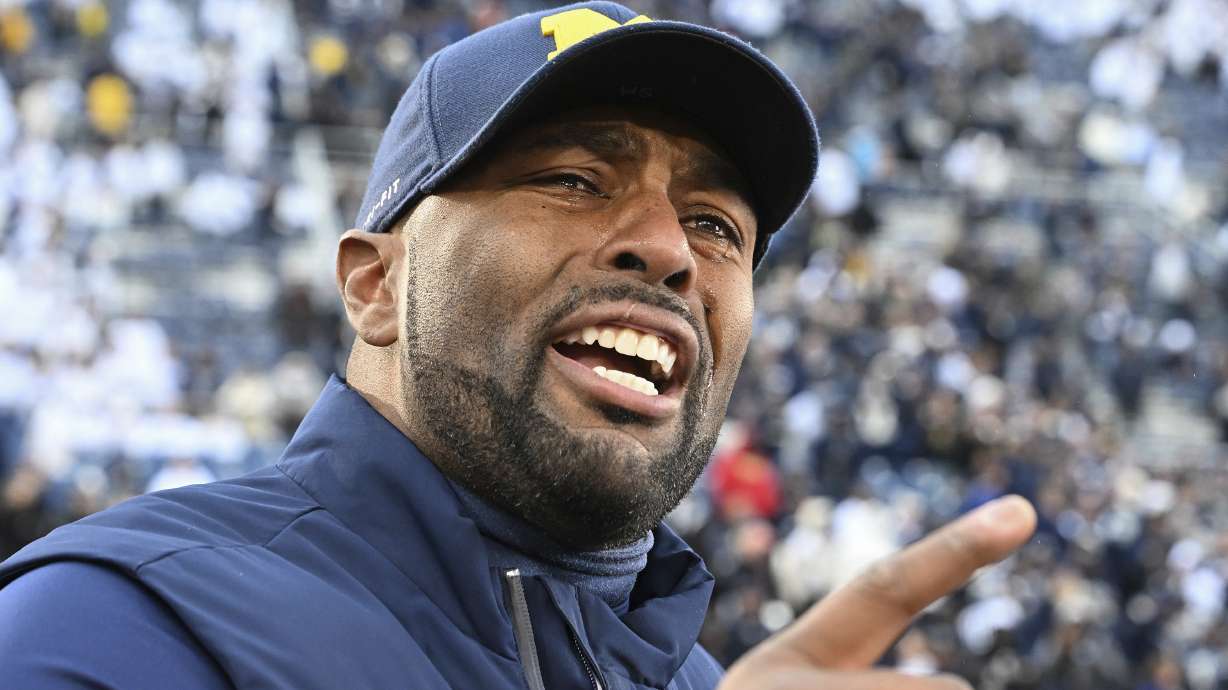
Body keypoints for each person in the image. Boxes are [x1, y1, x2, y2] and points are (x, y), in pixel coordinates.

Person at [0, 3, 1037, 689]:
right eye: (575, 181)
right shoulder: (122, 630)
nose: (669, 250)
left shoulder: (688, 678)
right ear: (376, 284)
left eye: (718, 227)